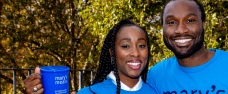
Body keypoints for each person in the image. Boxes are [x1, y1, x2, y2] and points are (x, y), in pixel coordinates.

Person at [24, 19, 157, 94]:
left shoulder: (155, 91)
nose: (135, 53)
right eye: (126, 46)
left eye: (141, 45)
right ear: (112, 53)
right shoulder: (89, 93)